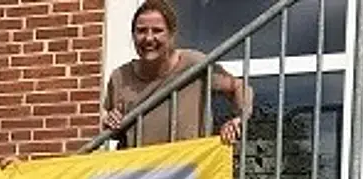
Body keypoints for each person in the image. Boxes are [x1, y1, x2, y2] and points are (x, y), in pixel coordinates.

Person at [102, 0, 253, 147]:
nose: (148, 38)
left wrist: (239, 118)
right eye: (141, 31)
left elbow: (239, 87)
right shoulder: (120, 77)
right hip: (140, 170)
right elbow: (111, 129)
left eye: (157, 30)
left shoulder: (194, 64)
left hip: (186, 169)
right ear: (133, 35)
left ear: (171, 34)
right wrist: (109, 121)